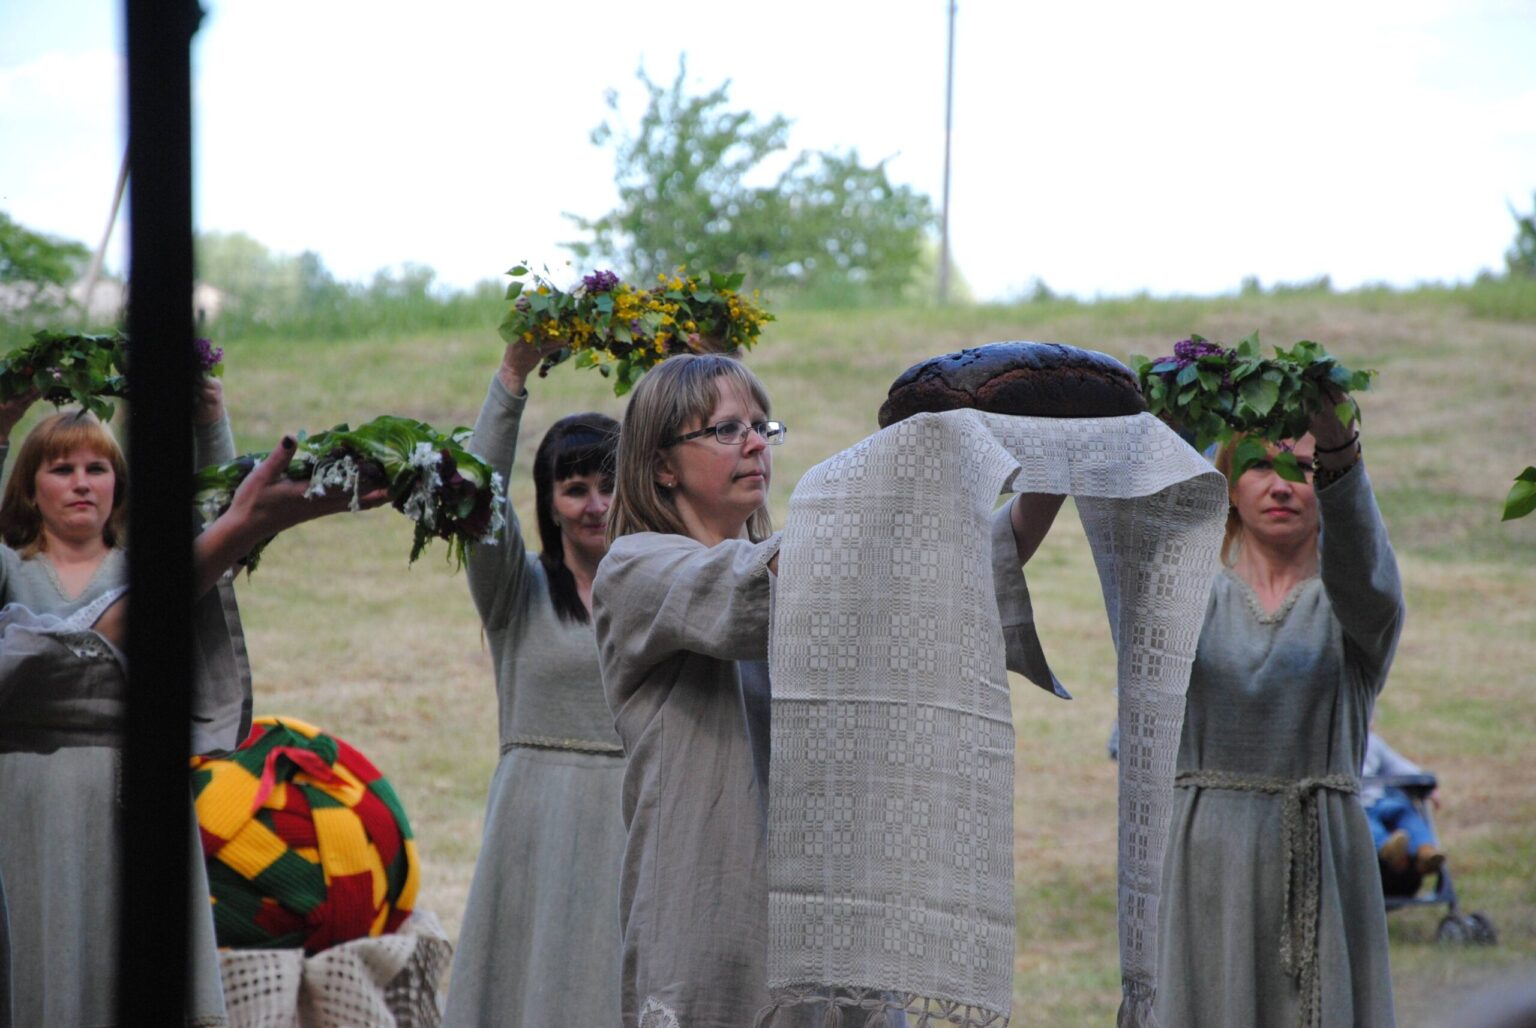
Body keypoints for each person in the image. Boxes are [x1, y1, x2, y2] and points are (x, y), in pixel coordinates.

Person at [592, 353, 1062, 1028]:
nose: (756, 443)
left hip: (836, 921)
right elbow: (768, 582)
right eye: (727, 430)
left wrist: (1054, 459)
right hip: (714, 931)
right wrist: (912, 457)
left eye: (762, 426)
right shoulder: (634, 568)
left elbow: (958, 567)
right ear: (663, 464)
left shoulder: (814, 567)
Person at [0, 392, 385, 1027]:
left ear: (118, 484)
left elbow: (229, 522)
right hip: (23, 790)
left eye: (96, 469)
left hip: (135, 789)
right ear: (27, 485)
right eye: (60, 468)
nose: (80, 484)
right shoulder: (10, 570)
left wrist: (209, 417)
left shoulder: (153, 567)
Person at [1154, 388, 1405, 1028]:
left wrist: (1341, 450)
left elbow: (1366, 573)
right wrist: (1165, 431)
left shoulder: (1357, 612)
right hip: (1208, 856)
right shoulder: (1189, 599)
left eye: (1303, 468)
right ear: (1229, 488)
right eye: (1262, 467)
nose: (1283, 484)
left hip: (1322, 850)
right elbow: (1142, 554)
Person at [442, 338, 626, 1025]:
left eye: (608, 485)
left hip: (636, 813)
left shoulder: (665, 584)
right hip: (536, 819)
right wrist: (511, 377)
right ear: (548, 502)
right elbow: (472, 496)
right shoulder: (514, 592)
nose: (594, 504)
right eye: (574, 488)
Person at [1361, 730, 1442, 882]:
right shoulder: (1331, 744)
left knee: (1405, 812)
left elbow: (1398, 765)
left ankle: (1426, 851)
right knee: (1366, 825)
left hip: (1379, 800)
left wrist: (1427, 786)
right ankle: (1389, 848)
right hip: (1355, 806)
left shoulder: (1372, 742)